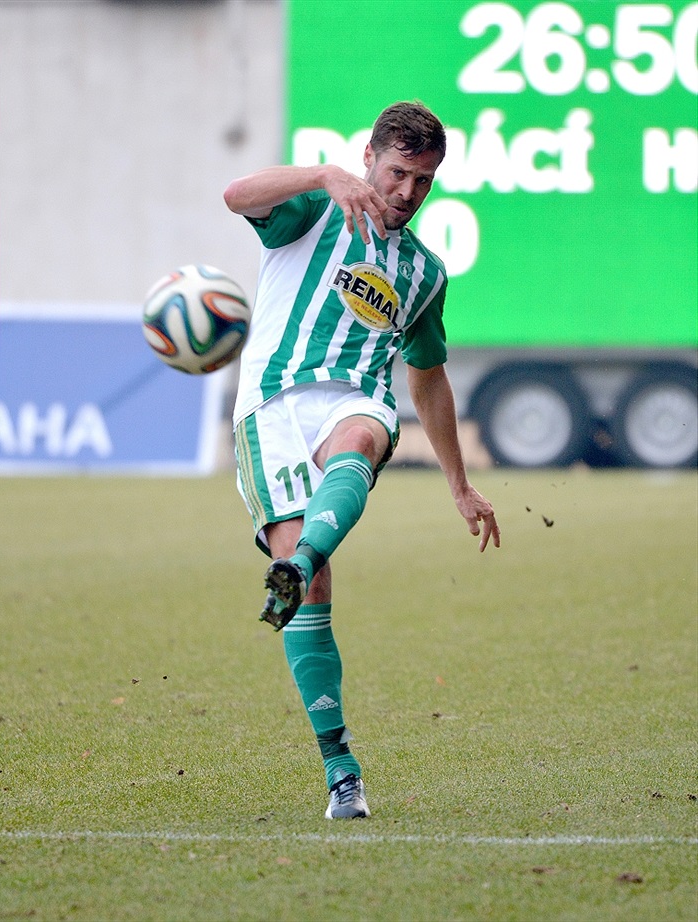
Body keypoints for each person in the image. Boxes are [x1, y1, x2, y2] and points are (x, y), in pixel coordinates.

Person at [223, 101, 500, 820]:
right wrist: (321, 173)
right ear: (371, 155)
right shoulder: (310, 210)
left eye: (424, 180)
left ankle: (301, 561)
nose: (408, 192)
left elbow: (428, 376)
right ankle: (341, 772)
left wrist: (460, 485)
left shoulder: (424, 274)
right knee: (312, 606)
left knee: (363, 436)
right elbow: (235, 196)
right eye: (399, 172)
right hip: (271, 408)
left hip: (356, 397)